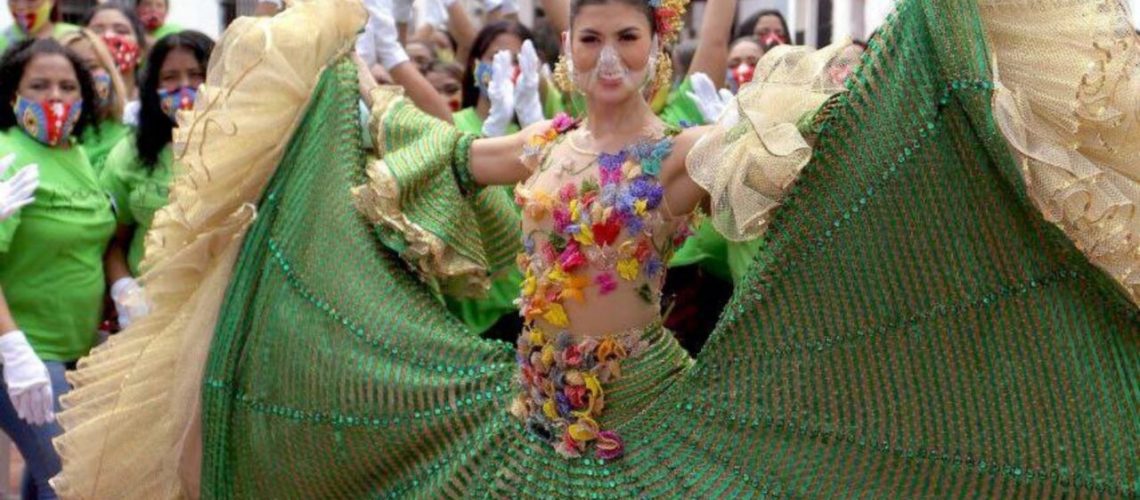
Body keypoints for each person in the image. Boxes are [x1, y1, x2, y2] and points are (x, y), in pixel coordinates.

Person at [52, 0, 1140, 498]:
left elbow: (801, 154)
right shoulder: (542, 148)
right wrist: (341, 83)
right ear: (566, 50)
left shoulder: (682, 153)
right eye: (589, 38)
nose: (607, 57)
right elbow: (409, 159)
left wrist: (896, 76)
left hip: (647, 421)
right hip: (522, 413)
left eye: (626, 37)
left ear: (654, 49)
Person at [0, 38, 114, 500]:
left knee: (46, 478)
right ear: (13, 94)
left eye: (68, 87)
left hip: (77, 353)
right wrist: (12, 346)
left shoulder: (77, 154)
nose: (55, 97)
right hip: (24, 355)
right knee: (74, 483)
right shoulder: (7, 156)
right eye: (39, 85)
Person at [100, 31, 214, 331]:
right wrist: (124, 290)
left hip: (215, 311)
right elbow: (112, 239)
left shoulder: (243, 144)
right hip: (148, 313)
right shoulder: (129, 154)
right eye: (170, 78)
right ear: (153, 87)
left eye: (196, 75)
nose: (184, 87)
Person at [60, 29, 130, 174]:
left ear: (109, 71)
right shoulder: (47, 143)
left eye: (92, 67)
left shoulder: (133, 136)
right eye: (73, 69)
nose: (84, 76)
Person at [83, 4, 147, 105]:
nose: (108, 36)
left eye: (121, 31)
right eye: (96, 31)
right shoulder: (76, 104)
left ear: (141, 51)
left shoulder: (153, 103)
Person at [0, 0, 78, 54]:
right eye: (13, 0)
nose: (20, 7)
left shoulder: (75, 37)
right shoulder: (2, 38)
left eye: (31, 0)